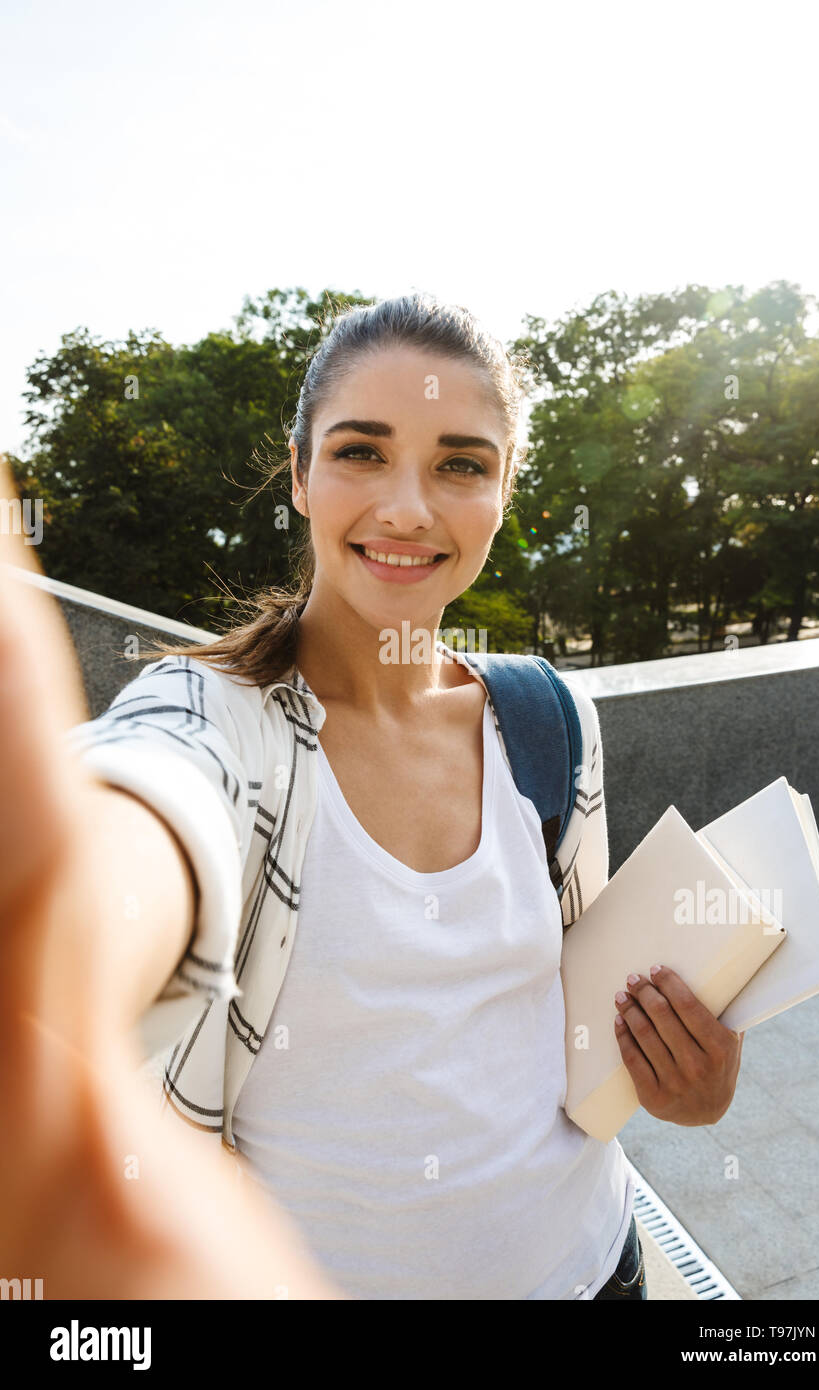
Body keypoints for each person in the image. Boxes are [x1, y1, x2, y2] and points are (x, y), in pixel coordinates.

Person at [1, 293, 743, 1301]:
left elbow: (573, 1016)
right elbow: (152, 800)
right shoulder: (216, 715)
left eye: (459, 464)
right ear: (300, 475)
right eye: (360, 451)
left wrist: (679, 1076)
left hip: (594, 1271)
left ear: (502, 490)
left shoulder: (549, 719)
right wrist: (61, 923)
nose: (406, 506)